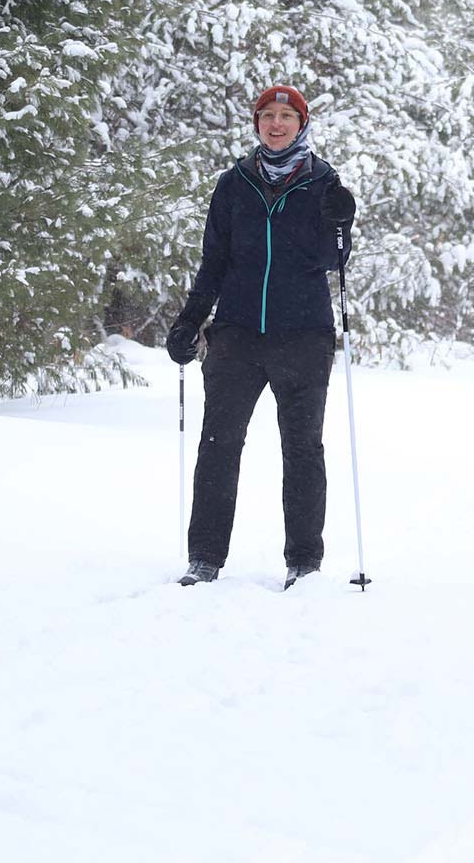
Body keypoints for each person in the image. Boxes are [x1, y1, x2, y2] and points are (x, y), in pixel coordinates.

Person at [166, 84, 357, 589]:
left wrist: (343, 222)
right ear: (256, 124)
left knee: (302, 450)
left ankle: (304, 562)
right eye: (267, 116)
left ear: (302, 124)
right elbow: (214, 261)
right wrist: (190, 320)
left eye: (286, 116)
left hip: (304, 336)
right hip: (237, 336)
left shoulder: (322, 182)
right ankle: (204, 557)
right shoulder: (234, 184)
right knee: (218, 445)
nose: (276, 124)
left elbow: (331, 261)